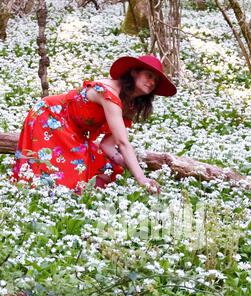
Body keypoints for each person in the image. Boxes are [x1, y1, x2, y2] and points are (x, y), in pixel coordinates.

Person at [12, 55, 177, 194]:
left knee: (107, 168)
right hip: (49, 117)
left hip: (75, 130)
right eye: (149, 75)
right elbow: (122, 142)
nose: (152, 82)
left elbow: (108, 145)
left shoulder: (130, 104)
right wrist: (141, 179)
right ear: (134, 72)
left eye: (155, 80)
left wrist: (127, 164)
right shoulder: (109, 94)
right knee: (61, 177)